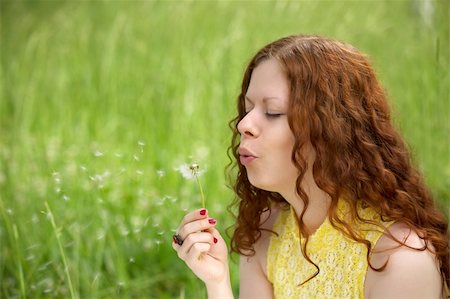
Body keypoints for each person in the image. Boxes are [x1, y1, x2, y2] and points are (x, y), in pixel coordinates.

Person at [172, 35, 449, 298]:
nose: (244, 125)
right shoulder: (268, 231)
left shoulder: (399, 259)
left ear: (330, 130)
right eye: (247, 109)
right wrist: (216, 281)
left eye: (273, 112)